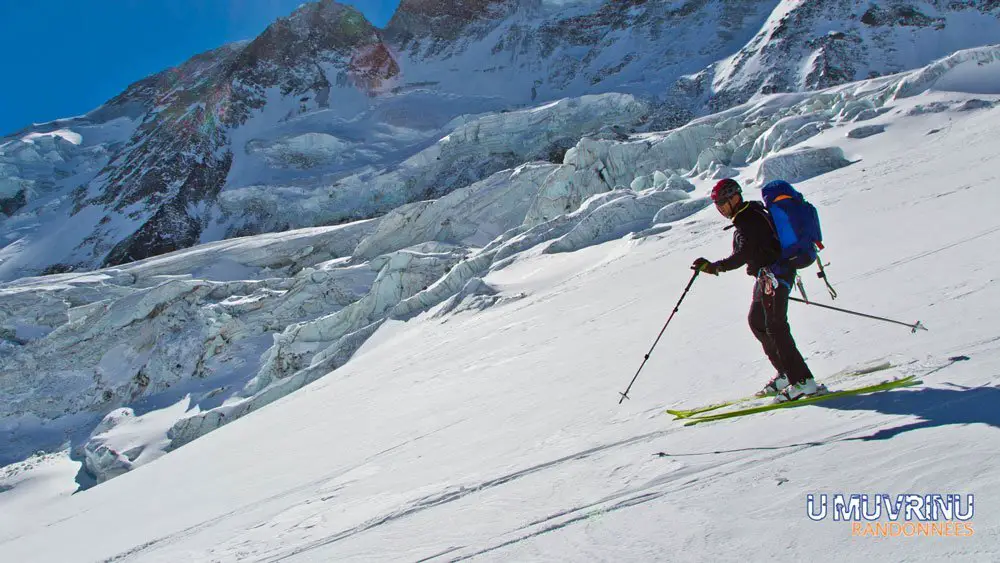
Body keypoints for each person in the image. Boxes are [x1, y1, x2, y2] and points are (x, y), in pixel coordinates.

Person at [691, 178, 822, 402]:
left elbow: (743, 254)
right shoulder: (747, 214)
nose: (721, 208)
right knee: (758, 322)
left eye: (723, 202)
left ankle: (802, 381)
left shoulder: (748, 218)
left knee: (776, 326)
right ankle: (786, 375)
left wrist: (715, 267)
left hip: (776, 274)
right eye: (717, 204)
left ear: (734, 197)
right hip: (768, 276)